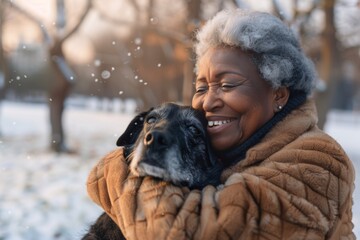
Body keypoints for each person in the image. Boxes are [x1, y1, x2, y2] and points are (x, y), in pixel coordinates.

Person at [86, 9, 355, 239]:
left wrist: (117, 169)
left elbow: (190, 231)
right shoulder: (233, 148)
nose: (208, 102)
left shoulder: (318, 162)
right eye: (202, 87)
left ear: (278, 95)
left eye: (227, 85)